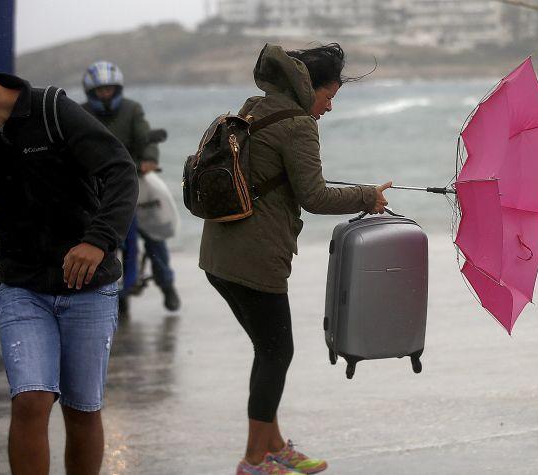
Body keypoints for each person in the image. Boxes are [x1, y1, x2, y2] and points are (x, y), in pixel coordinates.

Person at [0, 44, 137, 475]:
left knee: (81, 409)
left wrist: (98, 240)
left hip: (89, 287)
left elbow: (120, 169)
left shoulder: (52, 111)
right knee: (30, 400)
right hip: (23, 289)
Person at [200, 43, 392, 475]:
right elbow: (315, 196)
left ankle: (274, 445)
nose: (328, 107)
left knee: (268, 349)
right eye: (329, 97)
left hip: (217, 254)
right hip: (254, 259)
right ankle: (253, 459)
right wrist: (368, 196)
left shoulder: (255, 107)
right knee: (276, 352)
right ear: (309, 89)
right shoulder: (299, 124)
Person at [81, 61, 180, 314]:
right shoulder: (79, 114)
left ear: (118, 89)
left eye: (109, 89)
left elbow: (145, 138)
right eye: (100, 90)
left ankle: (167, 284)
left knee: (154, 237)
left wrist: (148, 159)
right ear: (90, 92)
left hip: (131, 182)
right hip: (94, 187)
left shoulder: (131, 110)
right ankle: (110, 293)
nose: (105, 94)